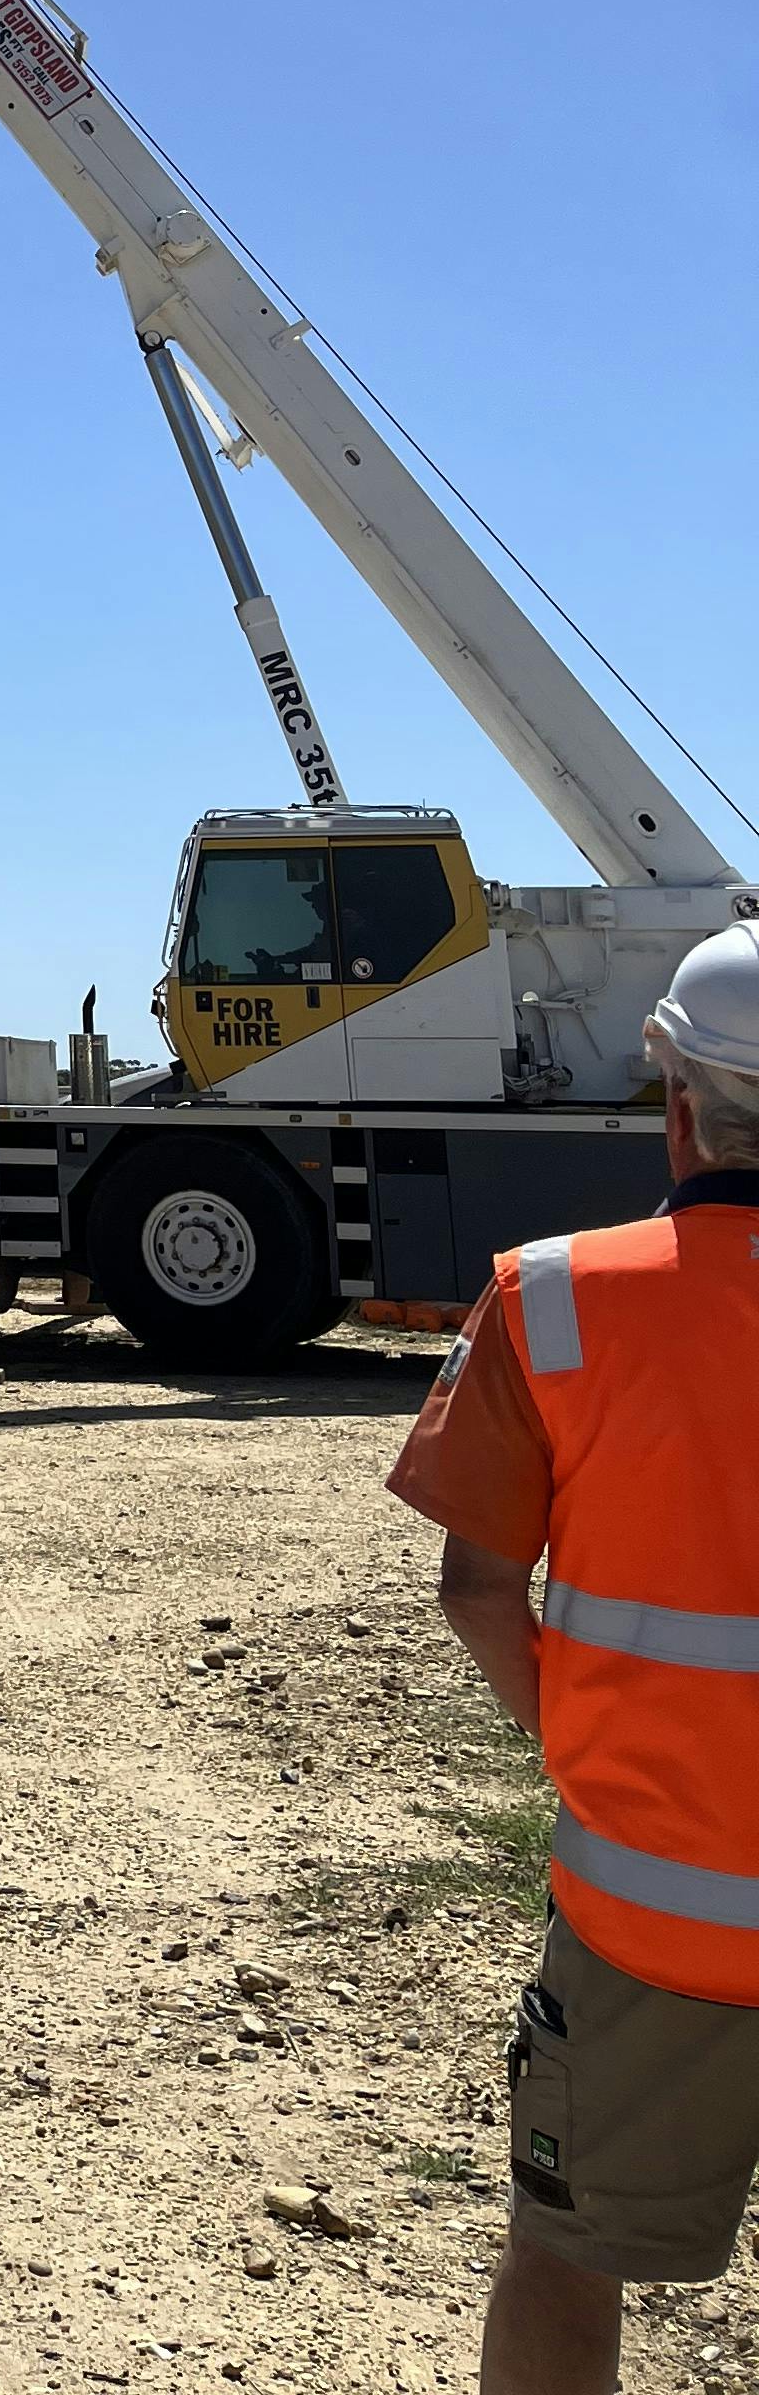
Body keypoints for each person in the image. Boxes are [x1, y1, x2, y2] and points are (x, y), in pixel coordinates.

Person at [388, 920, 759, 2393]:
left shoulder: (552, 1302)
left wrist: (589, 1751)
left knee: (564, 2261)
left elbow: (479, 1590)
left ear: (671, 1097)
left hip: (649, 1927)